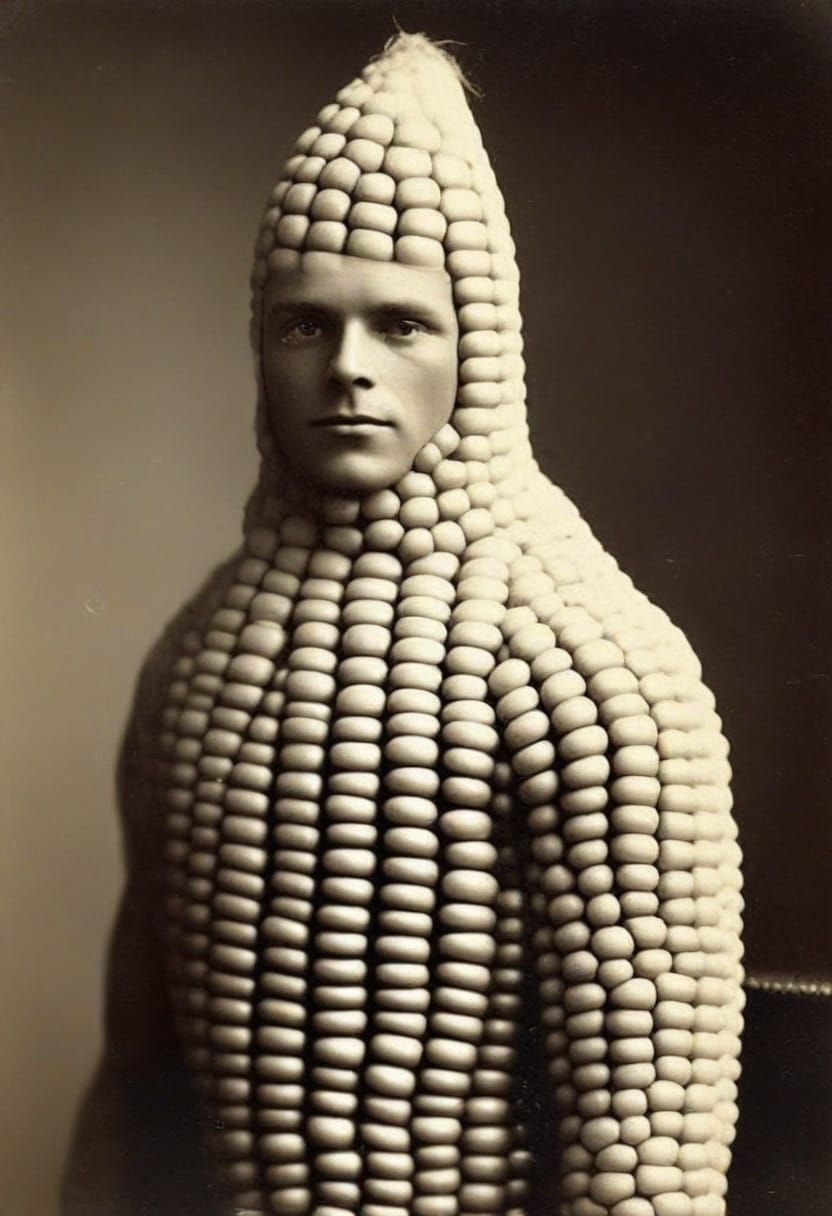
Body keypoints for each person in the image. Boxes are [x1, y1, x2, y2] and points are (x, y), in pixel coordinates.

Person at [63, 31, 743, 1216]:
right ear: (258, 345)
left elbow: (650, 1162)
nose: (348, 369)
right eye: (303, 324)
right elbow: (139, 1082)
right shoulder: (194, 664)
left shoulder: (590, 659)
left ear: (477, 339)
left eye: (400, 323)